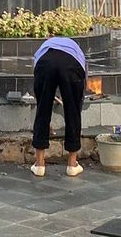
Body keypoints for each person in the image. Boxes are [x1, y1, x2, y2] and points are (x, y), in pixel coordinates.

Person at [30, 36, 86, 178]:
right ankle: (72, 165)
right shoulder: (77, 51)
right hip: (71, 64)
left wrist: (46, 98)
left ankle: (39, 165)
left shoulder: (43, 49)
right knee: (73, 111)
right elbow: (79, 95)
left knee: (42, 110)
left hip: (45, 63)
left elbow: (39, 92)